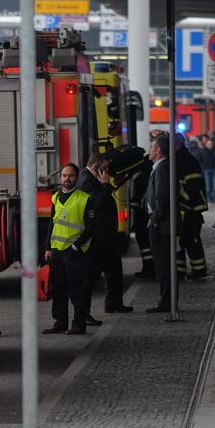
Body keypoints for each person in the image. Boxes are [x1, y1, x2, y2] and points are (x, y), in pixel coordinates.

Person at [42, 164, 97, 336]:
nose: (67, 179)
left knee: (76, 289)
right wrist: (48, 248)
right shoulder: (56, 197)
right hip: (57, 250)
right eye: (64, 175)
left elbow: (90, 227)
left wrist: (76, 246)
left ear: (76, 177)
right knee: (59, 288)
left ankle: (79, 324)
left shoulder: (85, 198)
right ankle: (60, 322)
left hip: (74, 251)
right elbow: (52, 224)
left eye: (71, 175)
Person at [78, 152, 132, 317]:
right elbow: (96, 204)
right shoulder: (87, 180)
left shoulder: (93, 177)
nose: (108, 172)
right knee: (90, 278)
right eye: (105, 168)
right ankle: (84, 314)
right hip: (97, 238)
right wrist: (106, 185)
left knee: (114, 271)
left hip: (107, 236)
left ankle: (114, 303)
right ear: (96, 167)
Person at [145, 133, 177, 313]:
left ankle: (167, 301)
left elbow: (162, 198)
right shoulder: (159, 166)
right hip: (160, 223)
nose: (149, 150)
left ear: (157, 150)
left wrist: (154, 219)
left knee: (163, 264)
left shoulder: (162, 168)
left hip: (161, 225)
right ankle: (166, 300)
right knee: (162, 264)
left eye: (151, 147)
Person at [174, 133, 209, 280]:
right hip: (182, 210)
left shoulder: (188, 161)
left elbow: (193, 187)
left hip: (190, 211)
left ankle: (199, 270)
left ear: (177, 145)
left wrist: (183, 202)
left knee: (192, 241)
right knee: (180, 242)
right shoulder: (177, 159)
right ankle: (179, 271)